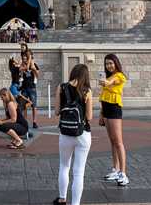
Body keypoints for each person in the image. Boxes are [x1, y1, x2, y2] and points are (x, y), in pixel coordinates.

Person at [54, 63, 94, 205]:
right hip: (83, 134)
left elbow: (57, 111)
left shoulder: (61, 87)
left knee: (64, 166)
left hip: (65, 133)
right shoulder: (87, 90)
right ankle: (75, 203)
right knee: (79, 171)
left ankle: (62, 198)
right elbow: (89, 117)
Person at [100, 53, 129, 187]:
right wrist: (101, 114)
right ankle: (115, 169)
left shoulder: (119, 76)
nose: (109, 66)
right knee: (112, 141)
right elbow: (104, 96)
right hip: (106, 109)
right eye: (107, 63)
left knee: (118, 142)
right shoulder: (109, 76)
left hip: (114, 108)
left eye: (111, 63)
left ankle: (123, 173)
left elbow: (112, 83)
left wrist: (106, 82)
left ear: (116, 63)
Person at [20, 52, 40, 130]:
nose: (24, 59)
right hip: (24, 88)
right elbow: (21, 70)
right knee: (24, 105)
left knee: (34, 105)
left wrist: (34, 69)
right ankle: (25, 121)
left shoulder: (34, 65)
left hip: (32, 88)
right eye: (23, 58)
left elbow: (38, 76)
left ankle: (34, 122)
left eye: (26, 58)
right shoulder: (22, 66)